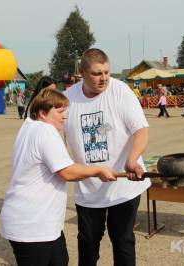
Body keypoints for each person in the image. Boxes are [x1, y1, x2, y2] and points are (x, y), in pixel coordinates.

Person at [0, 88, 116, 266]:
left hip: (39, 224)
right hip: (33, 225)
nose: (64, 116)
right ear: (42, 113)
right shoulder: (45, 131)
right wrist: (97, 171)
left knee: (61, 260)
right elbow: (66, 172)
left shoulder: (29, 126)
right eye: (60, 112)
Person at [63, 48, 150, 266]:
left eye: (106, 72)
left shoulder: (120, 91)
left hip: (123, 184)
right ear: (81, 71)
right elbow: (53, 136)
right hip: (89, 187)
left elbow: (141, 129)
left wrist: (132, 159)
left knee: (122, 240)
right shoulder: (67, 99)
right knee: (88, 241)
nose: (103, 79)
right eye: (96, 73)